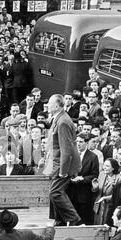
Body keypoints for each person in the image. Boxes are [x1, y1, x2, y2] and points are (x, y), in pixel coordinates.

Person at [45, 94, 82, 226]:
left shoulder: (63, 122)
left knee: (55, 192)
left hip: (63, 164)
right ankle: (59, 220)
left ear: (56, 105)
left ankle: (74, 218)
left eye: (49, 103)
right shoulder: (58, 118)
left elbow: (66, 149)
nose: (47, 106)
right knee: (55, 192)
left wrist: (63, 171)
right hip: (57, 163)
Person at [67, 133, 99, 225]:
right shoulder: (71, 155)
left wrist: (82, 179)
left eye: (81, 142)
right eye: (77, 142)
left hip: (84, 194)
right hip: (71, 192)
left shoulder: (93, 157)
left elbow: (94, 175)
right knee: (73, 220)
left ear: (86, 143)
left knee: (84, 220)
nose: (78, 144)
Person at [92, 158, 120, 225]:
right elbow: (97, 190)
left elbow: (118, 195)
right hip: (99, 206)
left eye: (107, 166)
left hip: (110, 206)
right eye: (104, 165)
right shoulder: (102, 174)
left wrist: (106, 198)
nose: (104, 168)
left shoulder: (118, 178)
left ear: (113, 168)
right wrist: (95, 187)